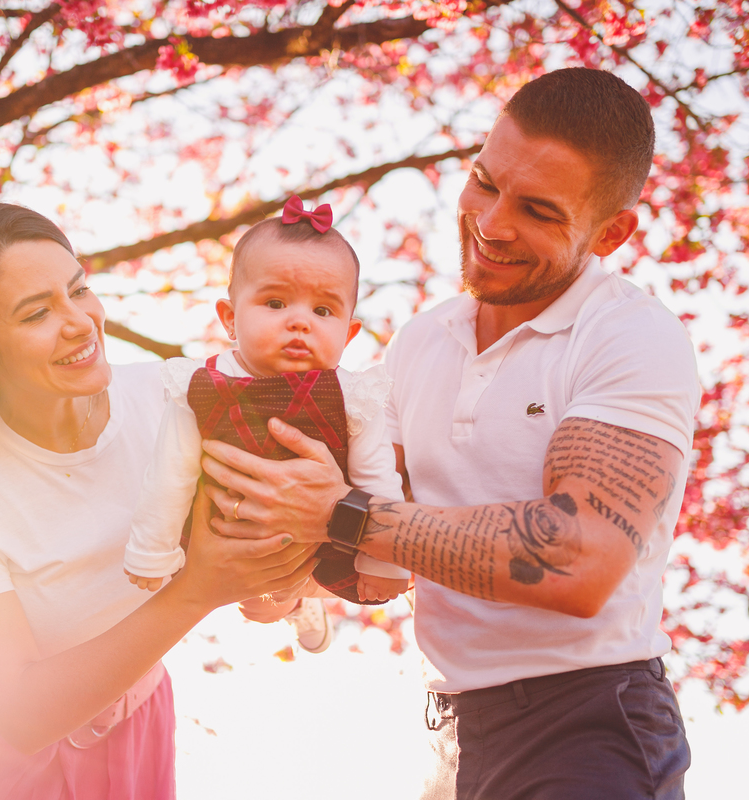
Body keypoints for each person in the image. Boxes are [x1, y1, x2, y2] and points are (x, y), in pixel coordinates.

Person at [196, 68, 700, 799]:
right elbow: (382, 540)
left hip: (588, 725)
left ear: (612, 231)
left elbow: (577, 560)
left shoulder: (631, 336)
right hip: (455, 733)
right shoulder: (422, 342)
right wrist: (291, 576)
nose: (492, 224)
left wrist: (336, 514)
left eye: (538, 210)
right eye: (484, 182)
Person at [0, 201, 314, 799]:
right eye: (36, 313)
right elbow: (20, 715)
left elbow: (271, 520)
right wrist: (199, 590)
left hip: (137, 733)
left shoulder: (176, 399)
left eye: (79, 291)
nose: (78, 322)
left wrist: (291, 585)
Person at [121, 198, 412, 651]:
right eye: (275, 303)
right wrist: (151, 548)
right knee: (254, 609)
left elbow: (378, 477)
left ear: (348, 334)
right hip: (229, 534)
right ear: (230, 319)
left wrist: (387, 561)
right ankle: (291, 605)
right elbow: (168, 475)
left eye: (323, 311)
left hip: (325, 539)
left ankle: (301, 597)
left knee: (301, 585)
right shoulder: (197, 386)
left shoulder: (354, 396)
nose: (299, 322)